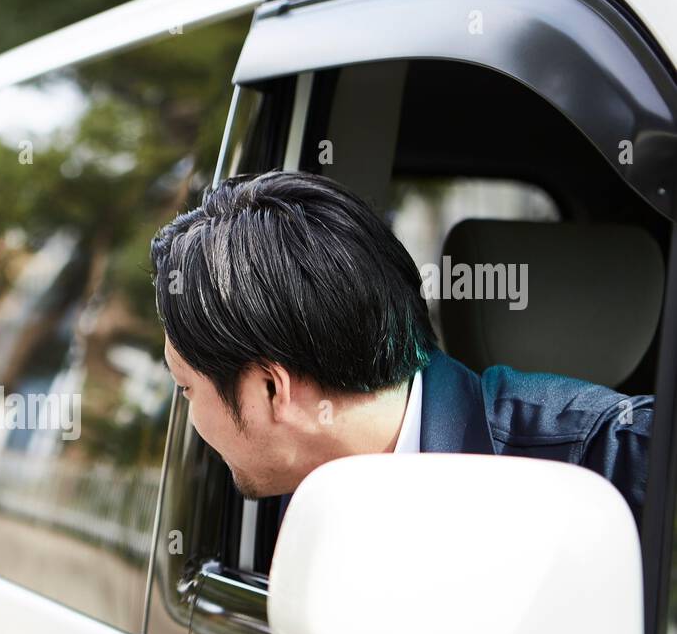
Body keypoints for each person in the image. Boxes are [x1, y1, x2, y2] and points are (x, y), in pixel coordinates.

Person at [150, 170, 652, 528]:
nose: (186, 414)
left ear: (269, 388)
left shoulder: (615, 461)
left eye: (185, 387)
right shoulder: (299, 495)